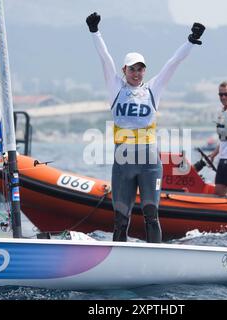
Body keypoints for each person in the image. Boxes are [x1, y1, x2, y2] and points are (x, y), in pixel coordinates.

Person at [86, 12, 205, 243]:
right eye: (132, 69)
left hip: (150, 163)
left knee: (151, 215)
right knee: (121, 218)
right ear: (124, 70)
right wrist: (95, 31)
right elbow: (105, 58)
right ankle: (118, 258)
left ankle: (157, 258)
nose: (136, 73)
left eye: (140, 69)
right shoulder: (115, 87)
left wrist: (190, 41)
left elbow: (173, 63)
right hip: (123, 161)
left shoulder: (153, 89)